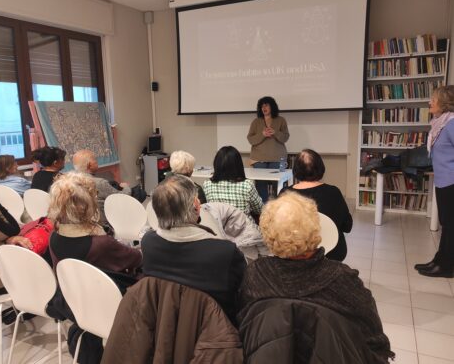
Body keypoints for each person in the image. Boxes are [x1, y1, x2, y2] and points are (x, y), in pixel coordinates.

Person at [238, 192, 394, 363]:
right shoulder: (343, 279)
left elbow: (245, 326)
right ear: (315, 227)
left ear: (268, 234)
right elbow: (375, 340)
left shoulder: (255, 274)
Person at [47, 172, 142, 363]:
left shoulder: (54, 238)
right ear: (86, 204)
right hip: (110, 306)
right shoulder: (100, 243)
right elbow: (136, 259)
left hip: (73, 303)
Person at [142, 174, 247, 322]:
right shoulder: (225, 252)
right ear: (197, 207)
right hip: (217, 332)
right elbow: (243, 295)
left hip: (164, 323)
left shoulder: (148, 243)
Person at [279, 149, 352, 261]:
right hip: (332, 253)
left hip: (295, 253)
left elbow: (279, 229)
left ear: (296, 170)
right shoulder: (334, 192)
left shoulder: (285, 194)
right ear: (320, 168)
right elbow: (347, 226)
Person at [415, 85, 454, 278]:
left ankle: (446, 267)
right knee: (447, 224)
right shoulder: (441, 123)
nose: (430, 102)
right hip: (443, 181)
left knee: (450, 225)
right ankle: (439, 260)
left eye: (434, 99)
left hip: (451, 183)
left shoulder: (452, 123)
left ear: (445, 103)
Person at [72, 149, 131, 228]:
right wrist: (126, 187)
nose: (97, 162)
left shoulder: (71, 181)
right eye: (95, 160)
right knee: (137, 193)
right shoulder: (99, 183)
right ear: (89, 165)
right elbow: (121, 197)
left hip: (81, 222)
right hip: (102, 224)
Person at [247, 96, 289, 202]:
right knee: (261, 184)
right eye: (262, 106)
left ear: (272, 106)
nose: (264, 108)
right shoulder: (256, 122)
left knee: (279, 184)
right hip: (259, 158)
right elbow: (250, 139)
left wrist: (275, 132)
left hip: (278, 158)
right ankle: (263, 208)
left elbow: (285, 137)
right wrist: (262, 134)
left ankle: (279, 207)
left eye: (266, 105)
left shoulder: (281, 120)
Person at [203, 146, 263, 220]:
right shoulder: (247, 185)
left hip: (218, 228)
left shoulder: (207, 185)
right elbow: (259, 209)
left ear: (216, 164)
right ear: (238, 165)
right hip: (243, 229)